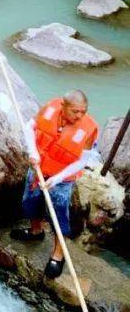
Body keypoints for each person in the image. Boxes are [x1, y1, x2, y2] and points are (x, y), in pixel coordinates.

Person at [11, 90, 100, 278]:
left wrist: (58, 178)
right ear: (63, 106)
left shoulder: (89, 129)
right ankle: (36, 231)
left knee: (59, 215)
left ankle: (58, 255)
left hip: (62, 179)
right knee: (31, 202)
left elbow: (83, 160)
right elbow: (29, 128)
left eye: (83, 111)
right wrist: (33, 153)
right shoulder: (49, 109)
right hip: (38, 169)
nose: (80, 116)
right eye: (75, 111)